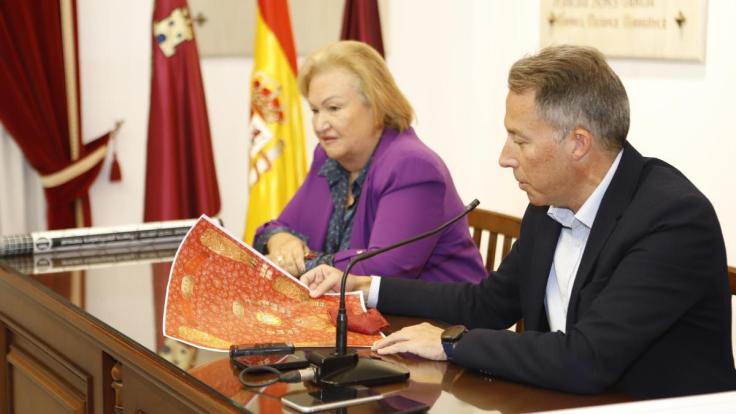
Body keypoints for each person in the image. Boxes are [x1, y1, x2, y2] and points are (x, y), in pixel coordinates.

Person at [302, 45, 736, 398]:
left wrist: (451, 343)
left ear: (578, 144)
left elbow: (586, 359)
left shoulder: (672, 221)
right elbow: (486, 305)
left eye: (520, 140)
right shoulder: (548, 205)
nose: (505, 157)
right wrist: (369, 287)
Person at [253, 41, 486, 284]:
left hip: (433, 308)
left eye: (333, 108)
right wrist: (280, 240)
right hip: (352, 305)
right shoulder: (328, 158)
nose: (320, 125)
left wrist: (301, 264)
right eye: (315, 111)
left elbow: (385, 268)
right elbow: (278, 228)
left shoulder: (413, 166)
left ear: (376, 104)